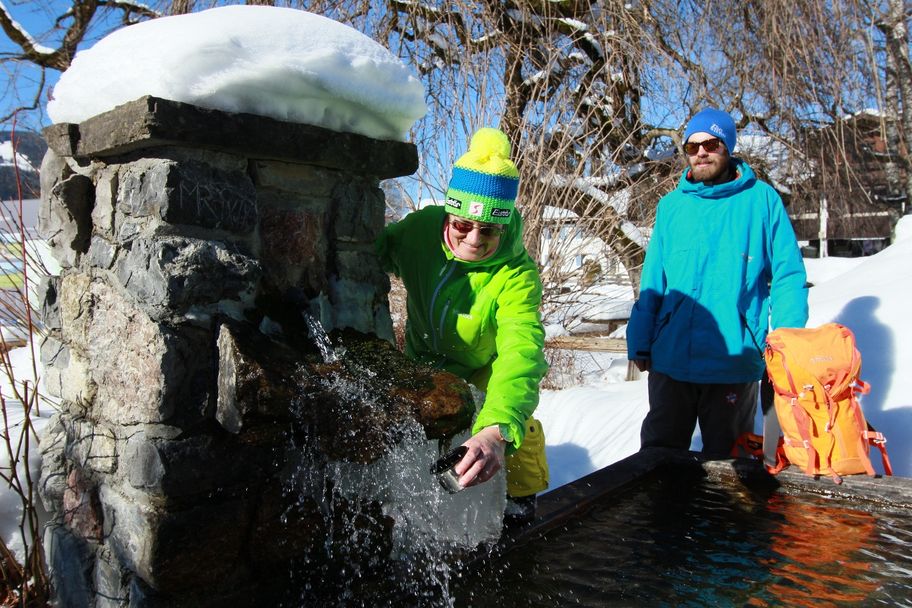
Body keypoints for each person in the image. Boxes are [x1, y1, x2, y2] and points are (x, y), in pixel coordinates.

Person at [376, 127, 549, 524]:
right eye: (463, 226)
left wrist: (496, 430)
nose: (473, 239)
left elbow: (521, 352)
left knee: (513, 427)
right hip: (421, 363)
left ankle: (520, 504)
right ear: (449, 215)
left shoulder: (516, 275)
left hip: (483, 371)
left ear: (503, 226)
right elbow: (371, 253)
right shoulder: (418, 233)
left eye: (488, 230)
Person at [626, 108, 809, 456]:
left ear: (728, 146)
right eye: (692, 147)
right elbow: (653, 280)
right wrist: (640, 339)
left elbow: (788, 275)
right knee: (658, 459)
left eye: (711, 144)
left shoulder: (761, 201)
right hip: (671, 359)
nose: (701, 153)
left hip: (734, 360)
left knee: (730, 465)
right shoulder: (671, 207)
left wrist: (788, 343)